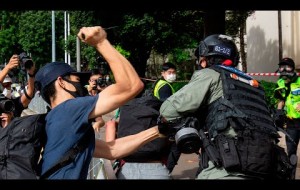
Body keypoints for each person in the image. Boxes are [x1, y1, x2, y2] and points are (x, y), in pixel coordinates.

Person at [34, 26, 168, 179]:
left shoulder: (57, 120)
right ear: (61, 82)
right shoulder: (69, 110)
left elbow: (113, 150)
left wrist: (158, 131)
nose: (81, 86)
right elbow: (132, 86)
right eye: (77, 80)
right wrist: (101, 42)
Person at [158, 34, 291, 179]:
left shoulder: (210, 74)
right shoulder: (255, 85)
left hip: (227, 167)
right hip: (266, 165)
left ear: (204, 60)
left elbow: (168, 111)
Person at [274, 57, 300, 178]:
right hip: (291, 123)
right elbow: (281, 100)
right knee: (291, 152)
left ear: (292, 68)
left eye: (287, 67)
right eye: (281, 67)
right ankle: (292, 176)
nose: (284, 70)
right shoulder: (280, 83)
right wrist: (278, 112)